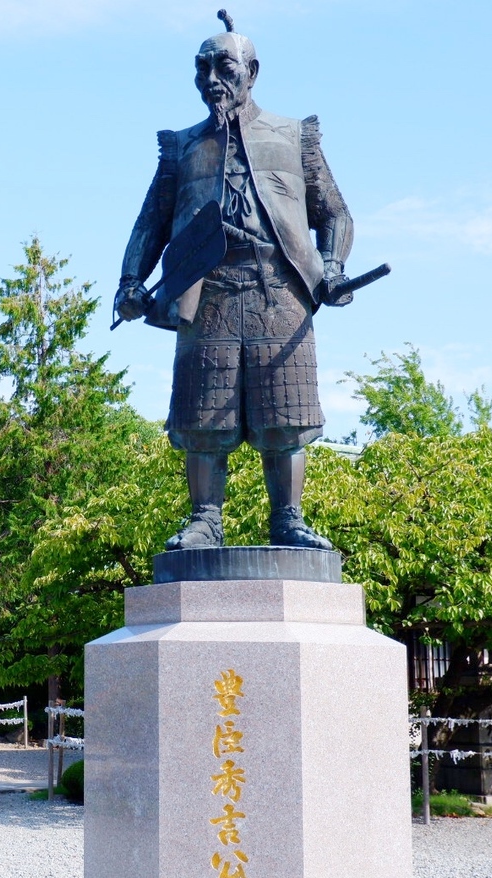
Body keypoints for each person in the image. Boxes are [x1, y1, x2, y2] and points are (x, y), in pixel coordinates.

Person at [114, 11, 361, 551]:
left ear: (252, 70)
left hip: (280, 294)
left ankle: (288, 520)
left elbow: (336, 215)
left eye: (222, 66)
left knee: (285, 417)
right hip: (206, 296)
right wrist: (131, 281)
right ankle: (205, 520)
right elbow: (151, 223)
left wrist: (333, 268)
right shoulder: (182, 147)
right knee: (204, 421)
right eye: (201, 69)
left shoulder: (296, 137)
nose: (211, 80)